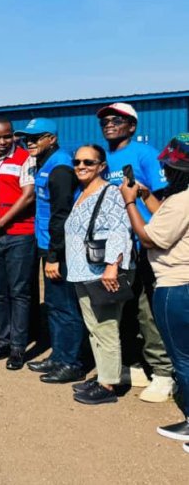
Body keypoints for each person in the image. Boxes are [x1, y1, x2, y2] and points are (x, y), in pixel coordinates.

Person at [97, 102, 175, 402]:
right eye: (105, 121)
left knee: (146, 310)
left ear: (132, 126)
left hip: (142, 245)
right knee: (123, 307)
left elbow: (164, 198)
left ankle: (163, 372)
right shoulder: (103, 159)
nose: (109, 124)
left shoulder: (144, 154)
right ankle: (133, 364)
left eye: (117, 120)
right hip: (113, 249)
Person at [120, 133, 189, 447]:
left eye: (170, 166)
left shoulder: (182, 200)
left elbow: (150, 238)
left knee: (183, 357)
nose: (166, 171)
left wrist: (131, 202)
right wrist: (147, 196)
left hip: (175, 286)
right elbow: (166, 217)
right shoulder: (180, 200)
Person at [14, 119, 86, 382]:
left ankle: (72, 362)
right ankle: (59, 356)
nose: (29, 143)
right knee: (54, 305)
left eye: (36, 137)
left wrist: (54, 256)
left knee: (66, 307)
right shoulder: (44, 164)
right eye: (25, 139)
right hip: (47, 246)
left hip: (60, 250)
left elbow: (61, 216)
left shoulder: (61, 168)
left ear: (51, 139)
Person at [65, 145, 134, 405]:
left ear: (101, 166)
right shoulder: (82, 193)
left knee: (105, 327)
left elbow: (119, 229)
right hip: (82, 272)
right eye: (77, 162)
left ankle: (108, 385)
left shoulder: (110, 193)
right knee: (94, 327)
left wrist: (112, 266)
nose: (81, 166)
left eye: (88, 162)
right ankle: (104, 374)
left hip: (101, 273)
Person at [0, 117, 36, 370]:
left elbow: (28, 195)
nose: (2, 142)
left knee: (19, 292)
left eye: (7, 136)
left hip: (20, 234)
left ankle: (18, 348)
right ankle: (2, 341)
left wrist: (1, 222)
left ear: (13, 135)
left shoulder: (25, 158)